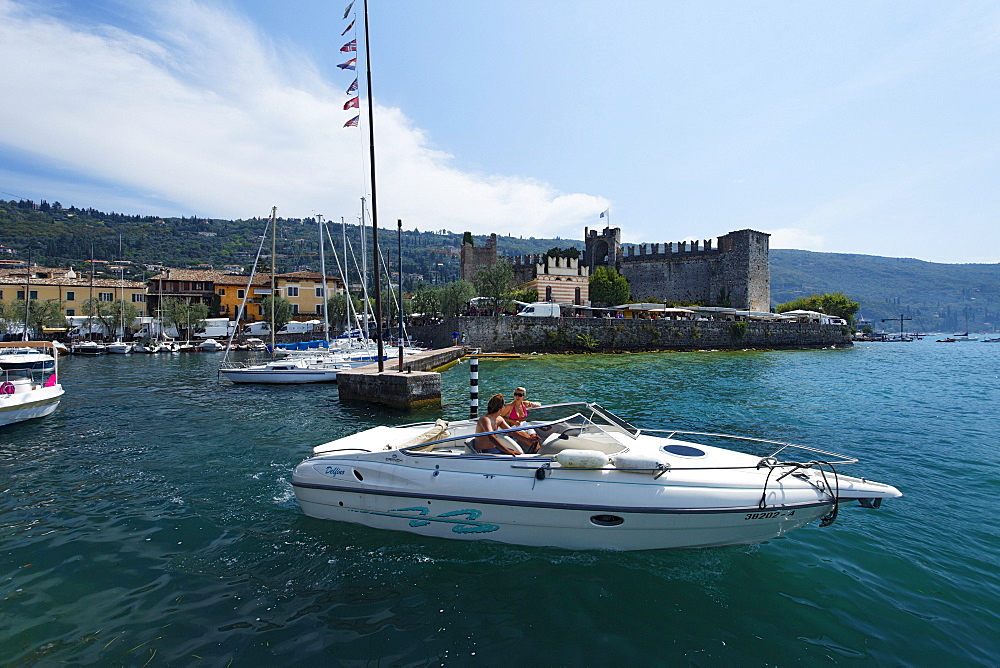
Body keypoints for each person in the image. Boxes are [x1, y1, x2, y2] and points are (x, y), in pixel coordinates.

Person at [474, 394, 540, 455]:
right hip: (483, 451)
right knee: (514, 455)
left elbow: (512, 432)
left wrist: (528, 439)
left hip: (495, 449)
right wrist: (508, 451)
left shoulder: (499, 419)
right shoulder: (485, 419)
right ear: (500, 408)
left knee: (519, 454)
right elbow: (491, 437)